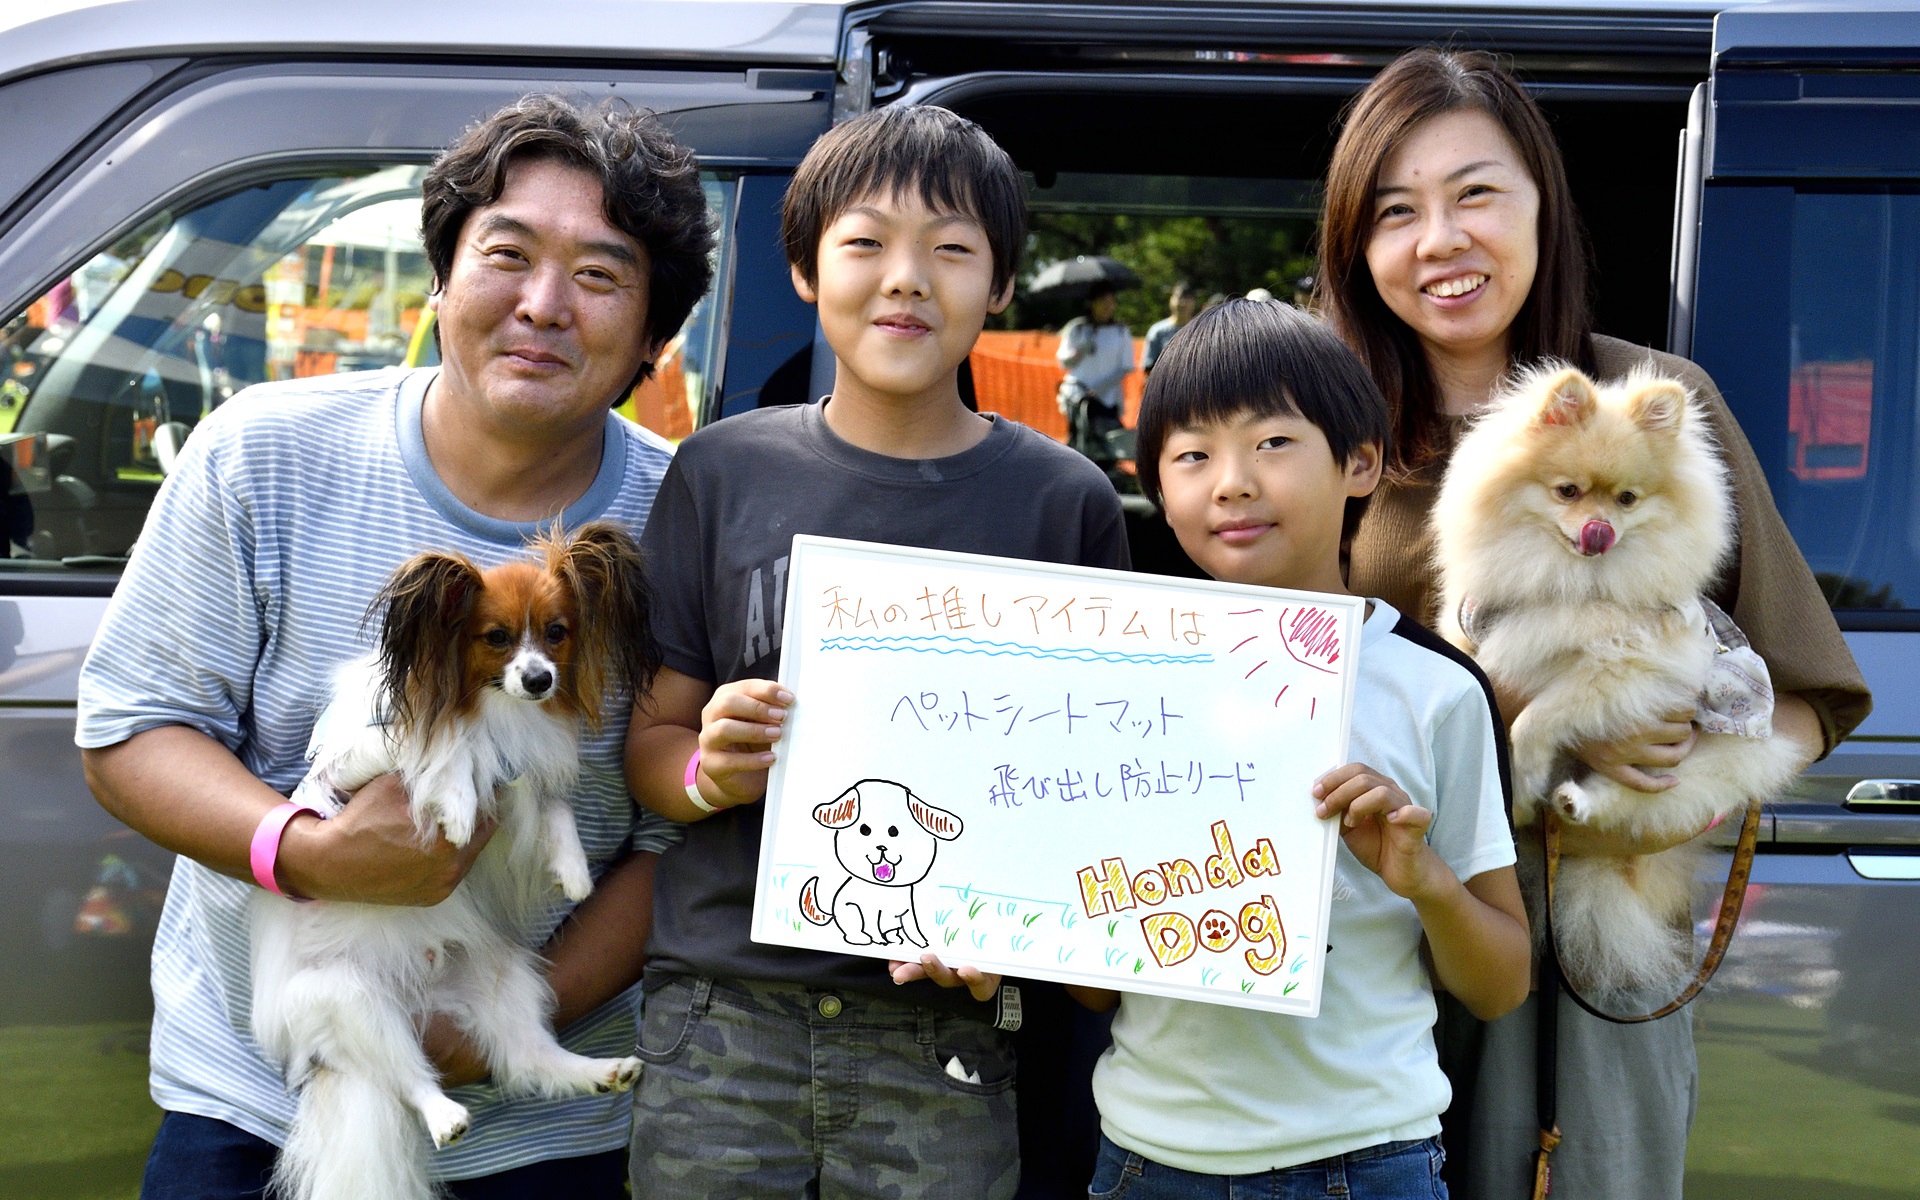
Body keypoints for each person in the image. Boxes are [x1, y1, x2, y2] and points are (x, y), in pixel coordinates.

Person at [75, 94, 715, 1198]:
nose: (543, 305)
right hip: (258, 1103)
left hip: (550, 1143)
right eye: (506, 254)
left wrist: (508, 1019)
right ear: (444, 275)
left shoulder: (690, 518)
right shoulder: (260, 456)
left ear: (655, 340)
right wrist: (307, 852)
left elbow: (688, 837)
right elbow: (133, 731)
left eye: (601, 276)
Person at [1314, 49, 1873, 1199]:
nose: (1440, 240)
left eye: (1477, 194)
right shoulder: (1322, 419)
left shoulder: (1650, 400)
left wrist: (1662, 806)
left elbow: (1810, 696)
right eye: (1396, 211)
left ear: (1540, 208)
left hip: (1577, 941)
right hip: (1366, 947)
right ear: (1356, 244)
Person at [622, 104, 1129, 1200]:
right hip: (722, 1019)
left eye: (950, 250)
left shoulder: (1063, 503)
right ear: (807, 270)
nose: (906, 278)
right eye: (865, 244)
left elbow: (1092, 795)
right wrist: (710, 769)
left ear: (999, 287)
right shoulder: (720, 473)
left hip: (943, 1032)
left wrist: (1021, 931)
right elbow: (652, 745)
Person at [977, 296, 1527, 1197]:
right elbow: (1095, 994)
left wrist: (1423, 878)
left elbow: (1501, 983)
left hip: (1370, 1157)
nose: (1230, 482)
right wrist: (1046, 912)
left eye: (1272, 443)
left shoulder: (1434, 690)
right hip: (1149, 1159)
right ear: (1157, 483)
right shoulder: (1114, 688)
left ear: (1361, 463)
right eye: (1192, 456)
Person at [1057, 281, 1135, 466]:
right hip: (1078, 398)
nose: (1108, 305)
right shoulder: (1077, 328)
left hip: (1106, 400)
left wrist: (1099, 388)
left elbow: (1126, 367)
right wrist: (1081, 349)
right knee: (1080, 445)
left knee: (1105, 449)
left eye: (1111, 301)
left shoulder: (1121, 331)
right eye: (1103, 300)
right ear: (1092, 303)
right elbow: (1063, 362)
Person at [1139, 280, 1194, 374]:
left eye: (1187, 298)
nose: (1183, 303)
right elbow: (1148, 367)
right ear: (1171, 299)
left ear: (1194, 302)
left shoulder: (1200, 330)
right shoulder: (1158, 331)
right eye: (1179, 297)